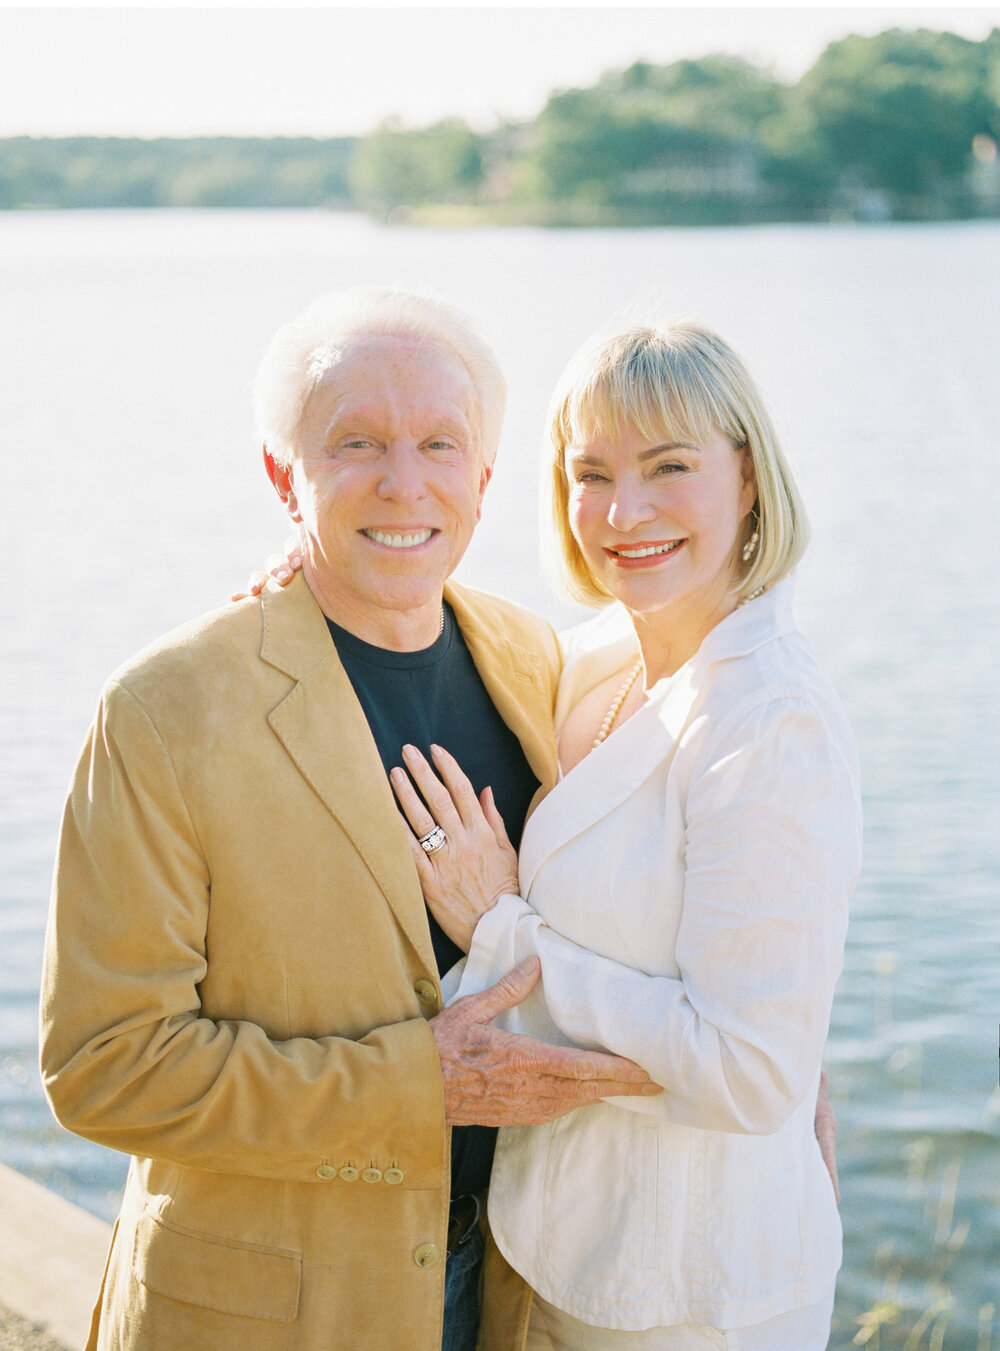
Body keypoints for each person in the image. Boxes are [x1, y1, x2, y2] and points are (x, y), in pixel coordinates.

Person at [39, 288, 661, 1351]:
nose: (402, 481)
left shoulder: (539, 659)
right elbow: (105, 1064)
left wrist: (785, 1074)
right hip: (262, 1316)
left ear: (483, 478)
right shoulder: (164, 710)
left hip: (501, 1286)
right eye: (356, 443)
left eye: (436, 444)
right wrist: (416, 1087)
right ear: (285, 476)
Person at [388, 320, 862, 1349]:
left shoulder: (768, 722)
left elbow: (746, 1069)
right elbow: (435, 616)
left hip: (694, 1296)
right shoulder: (605, 655)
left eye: (668, 466)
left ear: (748, 479)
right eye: (589, 472)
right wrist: (312, 568)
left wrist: (502, 930)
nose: (622, 511)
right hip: (560, 1252)